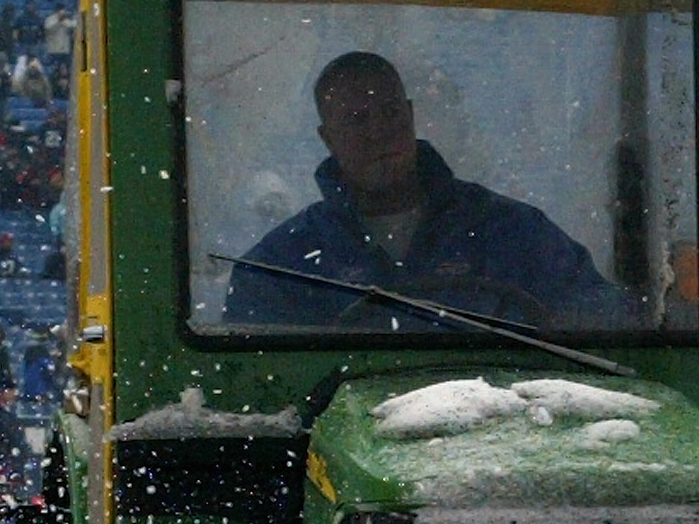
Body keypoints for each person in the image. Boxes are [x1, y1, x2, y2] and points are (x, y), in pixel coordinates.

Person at [223, 51, 620, 332]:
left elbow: (600, 323)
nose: (379, 132)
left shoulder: (509, 233)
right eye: (357, 120)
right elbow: (262, 384)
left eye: (391, 113)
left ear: (411, 116)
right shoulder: (283, 265)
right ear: (328, 138)